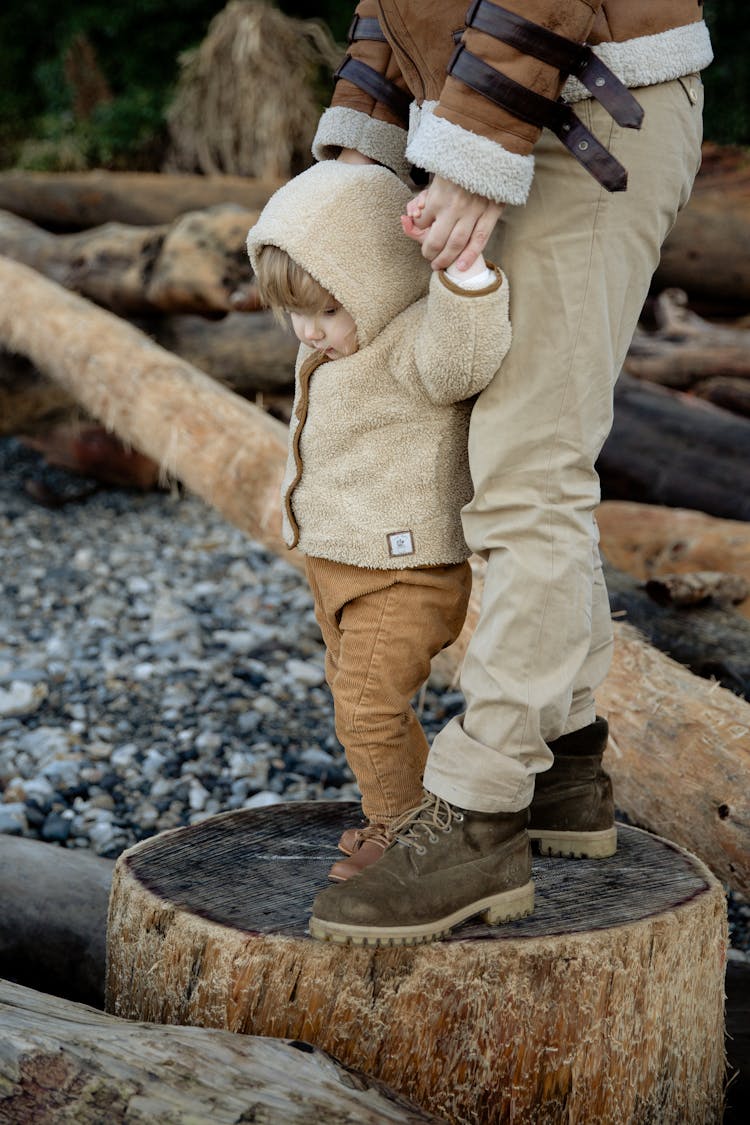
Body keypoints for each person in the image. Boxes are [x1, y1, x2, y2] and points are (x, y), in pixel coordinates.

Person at [306, 0, 712, 946]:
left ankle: (480, 812)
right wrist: (365, 140)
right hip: (501, 102)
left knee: (531, 470)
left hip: (582, 107)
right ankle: (564, 760)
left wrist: (477, 148)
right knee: (496, 461)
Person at [246, 159, 514, 884]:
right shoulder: (338, 339)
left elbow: (463, 359)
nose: (310, 331)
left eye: (328, 311)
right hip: (340, 566)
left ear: (378, 277)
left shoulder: (413, 337)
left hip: (403, 569)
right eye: (294, 313)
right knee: (355, 701)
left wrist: (463, 274)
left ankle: (408, 840)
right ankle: (409, 814)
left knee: (368, 707)